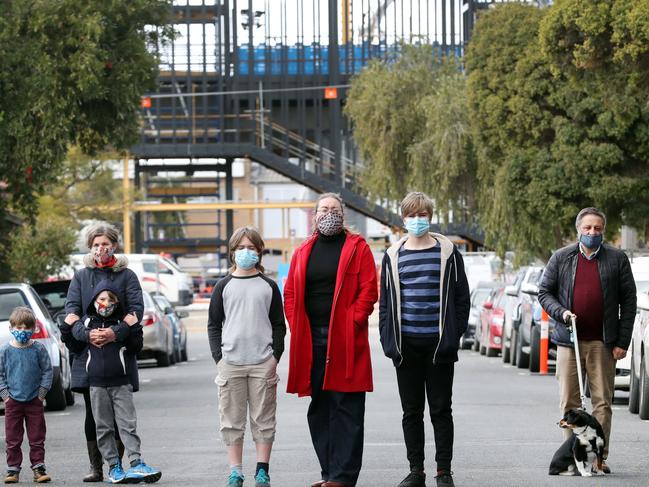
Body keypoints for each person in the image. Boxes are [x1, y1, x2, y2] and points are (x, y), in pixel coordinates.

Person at [284, 193, 378, 487]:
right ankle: (328, 472)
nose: (329, 214)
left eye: (334, 209)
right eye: (323, 209)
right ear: (314, 215)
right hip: (312, 342)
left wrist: (353, 321)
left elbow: (369, 290)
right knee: (319, 408)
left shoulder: (358, 248)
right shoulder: (302, 251)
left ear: (343, 214)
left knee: (346, 408)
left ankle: (343, 477)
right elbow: (290, 293)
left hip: (345, 341)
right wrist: (295, 321)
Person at [378, 192, 470, 487]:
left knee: (441, 409)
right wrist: (389, 343)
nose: (418, 220)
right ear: (403, 219)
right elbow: (385, 303)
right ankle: (416, 470)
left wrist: (453, 337)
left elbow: (461, 298)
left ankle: (444, 471)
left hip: (439, 345)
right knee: (411, 411)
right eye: (412, 215)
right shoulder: (393, 255)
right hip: (406, 347)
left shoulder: (448, 252)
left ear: (430, 217)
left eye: (423, 215)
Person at [538, 207, 636, 474]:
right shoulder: (562, 257)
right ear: (578, 229)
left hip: (603, 343)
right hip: (569, 341)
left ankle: (597, 458)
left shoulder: (617, 259)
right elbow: (544, 292)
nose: (592, 233)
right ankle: (572, 458)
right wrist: (562, 313)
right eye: (587, 228)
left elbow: (629, 302)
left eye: (598, 229)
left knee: (602, 402)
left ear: (603, 230)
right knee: (569, 402)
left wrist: (622, 342)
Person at [62, 222, 143, 482]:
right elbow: (71, 313)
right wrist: (88, 335)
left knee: (120, 413)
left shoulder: (127, 275)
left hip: (119, 354)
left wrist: (114, 333)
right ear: (90, 247)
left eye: (105, 244)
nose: (101, 249)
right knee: (93, 413)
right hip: (89, 356)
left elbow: (135, 312)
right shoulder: (81, 276)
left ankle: (118, 466)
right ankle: (97, 466)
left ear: (114, 245)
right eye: (96, 245)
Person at [207, 227, 286, 487]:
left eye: (251, 248)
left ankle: (262, 470)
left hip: (263, 362)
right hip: (230, 363)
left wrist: (275, 356)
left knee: (263, 419)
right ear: (232, 252)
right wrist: (219, 358)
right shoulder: (223, 285)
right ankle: (235, 471)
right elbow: (214, 324)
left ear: (259, 251)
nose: (246, 252)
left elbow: (278, 324)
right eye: (240, 248)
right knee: (231, 420)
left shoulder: (269, 286)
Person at [72, 280, 161, 484]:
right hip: (95, 384)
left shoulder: (123, 322)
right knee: (103, 426)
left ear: (117, 302)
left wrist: (126, 328)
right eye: (101, 299)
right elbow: (72, 336)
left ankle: (136, 463)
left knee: (127, 424)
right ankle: (114, 467)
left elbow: (136, 345)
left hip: (121, 382)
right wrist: (80, 330)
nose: (106, 303)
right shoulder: (87, 323)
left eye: (110, 299)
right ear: (94, 300)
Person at [0, 307, 53, 484]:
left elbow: (47, 371)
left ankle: (38, 467)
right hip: (12, 401)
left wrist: (41, 394)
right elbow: (0, 374)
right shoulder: (5, 351)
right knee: (12, 438)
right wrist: (5, 395)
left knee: (37, 436)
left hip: (34, 400)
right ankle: (13, 469)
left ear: (33, 329)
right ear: (12, 328)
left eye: (26, 328)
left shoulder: (38, 349)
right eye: (19, 328)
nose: (23, 331)